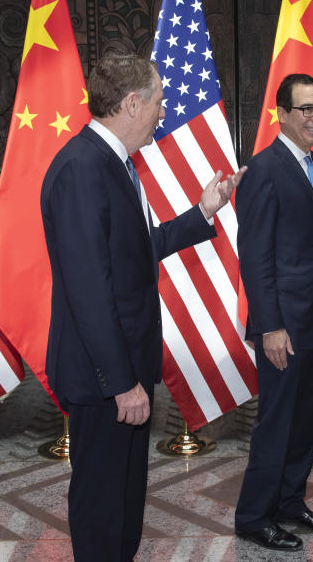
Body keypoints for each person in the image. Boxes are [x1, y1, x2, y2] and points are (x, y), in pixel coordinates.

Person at [41, 51, 245, 561]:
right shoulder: (82, 170)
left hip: (123, 372)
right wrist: (121, 382)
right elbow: (90, 288)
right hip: (103, 380)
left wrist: (203, 212)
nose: (163, 110)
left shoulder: (114, 164)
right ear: (131, 103)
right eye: (158, 100)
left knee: (125, 504)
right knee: (102, 507)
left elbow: (134, 249)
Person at [233, 73, 313, 552]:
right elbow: (255, 259)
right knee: (277, 421)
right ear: (282, 113)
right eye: (306, 110)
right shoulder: (264, 169)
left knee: (304, 421)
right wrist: (270, 326)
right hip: (284, 327)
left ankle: (290, 502)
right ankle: (254, 516)